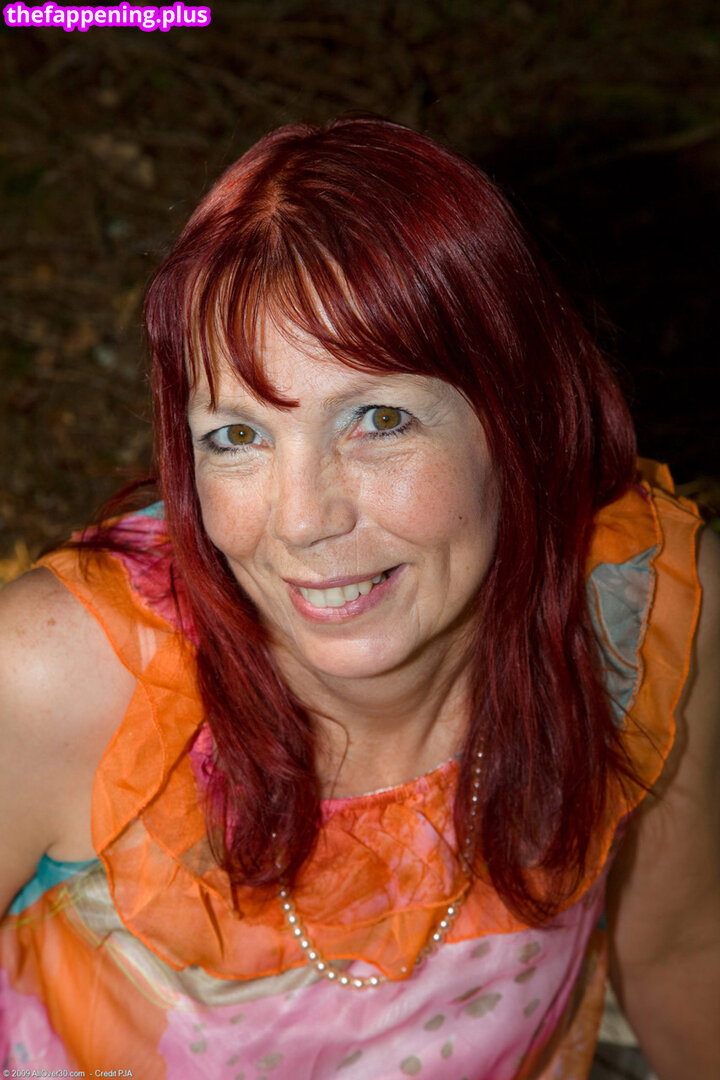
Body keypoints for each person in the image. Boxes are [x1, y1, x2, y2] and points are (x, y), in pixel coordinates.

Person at [0, 116, 718, 1080]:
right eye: (237, 437)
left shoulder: (640, 623)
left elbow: (681, 955)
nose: (302, 520)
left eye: (378, 420)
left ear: (522, 421)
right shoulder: (62, 679)